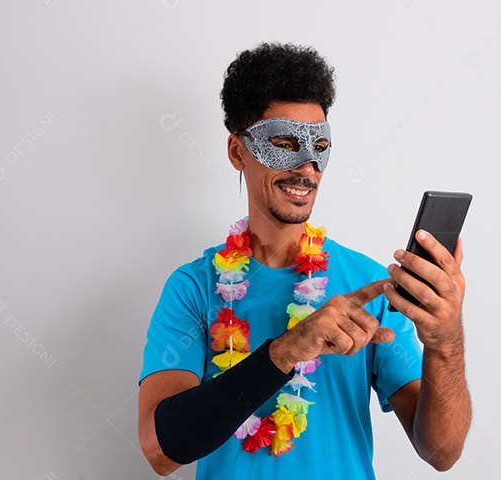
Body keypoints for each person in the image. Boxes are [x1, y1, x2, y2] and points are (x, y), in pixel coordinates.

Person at [137, 42, 471, 479]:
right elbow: (162, 452)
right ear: (238, 152)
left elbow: (441, 453)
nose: (308, 167)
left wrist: (445, 341)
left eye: (320, 145)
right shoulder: (192, 288)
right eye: (284, 144)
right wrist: (287, 349)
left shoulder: (370, 285)